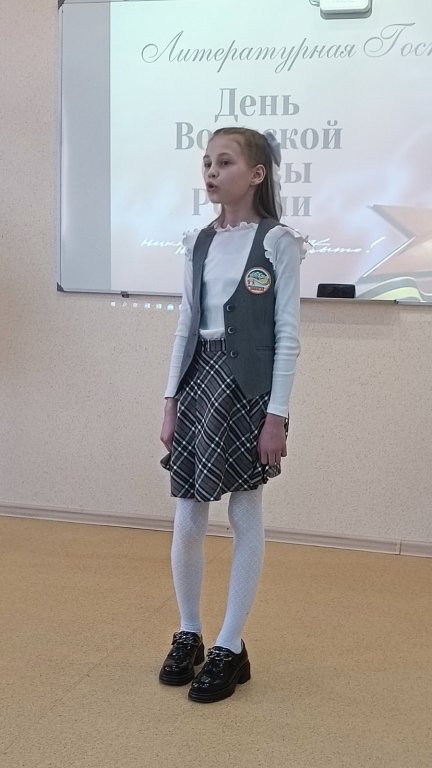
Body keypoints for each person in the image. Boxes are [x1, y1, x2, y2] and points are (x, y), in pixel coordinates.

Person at [159, 126, 306, 703]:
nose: (211, 172)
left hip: (248, 390)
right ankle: (189, 631)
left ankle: (229, 643)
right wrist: (170, 400)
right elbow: (186, 324)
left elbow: (287, 334)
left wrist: (277, 414)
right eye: (206, 163)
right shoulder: (198, 241)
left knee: (245, 509)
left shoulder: (278, 242)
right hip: (200, 381)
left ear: (257, 174)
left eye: (224, 163)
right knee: (188, 513)